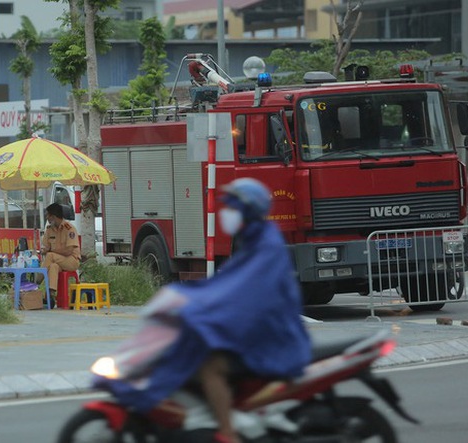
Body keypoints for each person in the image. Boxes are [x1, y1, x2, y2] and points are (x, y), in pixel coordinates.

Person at [94, 178, 311, 443]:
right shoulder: (253, 239)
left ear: (247, 211)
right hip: (256, 328)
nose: (226, 213)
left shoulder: (266, 247)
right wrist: (187, 295)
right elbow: (224, 283)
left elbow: (244, 293)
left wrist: (200, 308)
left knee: (209, 365)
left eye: (231, 207)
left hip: (271, 337)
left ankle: (228, 432)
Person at [39, 203, 80, 303]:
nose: (47, 218)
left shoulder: (69, 229)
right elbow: (46, 247)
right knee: (53, 266)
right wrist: (43, 250)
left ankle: (36, 282)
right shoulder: (49, 230)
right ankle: (50, 295)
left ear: (54, 216)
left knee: (50, 256)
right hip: (57, 261)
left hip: (71, 260)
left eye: (48, 216)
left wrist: (50, 251)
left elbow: (69, 251)